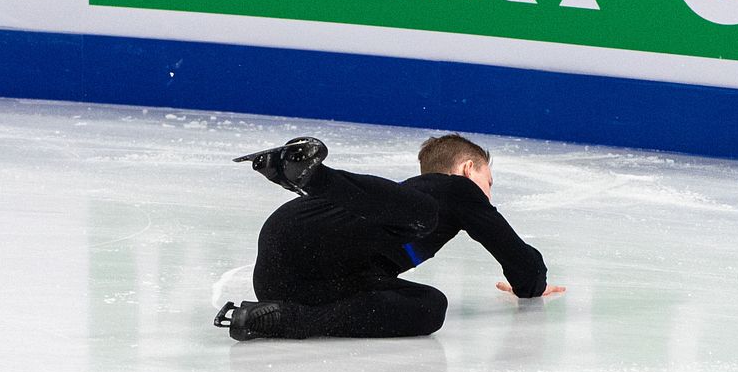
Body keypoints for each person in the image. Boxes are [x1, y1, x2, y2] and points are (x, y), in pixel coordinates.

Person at [214, 134, 565, 341]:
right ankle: (314, 177)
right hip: (313, 234)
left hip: (288, 277)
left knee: (430, 306)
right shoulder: (458, 190)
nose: (488, 196)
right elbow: (522, 262)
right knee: (424, 214)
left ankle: (279, 320)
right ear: (467, 169)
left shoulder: (394, 201)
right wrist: (529, 286)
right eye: (488, 183)